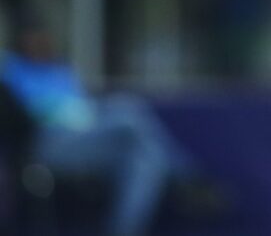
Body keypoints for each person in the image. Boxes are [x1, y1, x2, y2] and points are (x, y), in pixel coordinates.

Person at [1, 19, 196, 236]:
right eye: (33, 36)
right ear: (22, 40)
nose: (39, 41)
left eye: (43, 35)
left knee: (147, 158)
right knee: (130, 113)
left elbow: (82, 107)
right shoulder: (10, 69)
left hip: (86, 136)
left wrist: (85, 116)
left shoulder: (60, 70)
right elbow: (21, 115)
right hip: (47, 142)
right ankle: (186, 175)